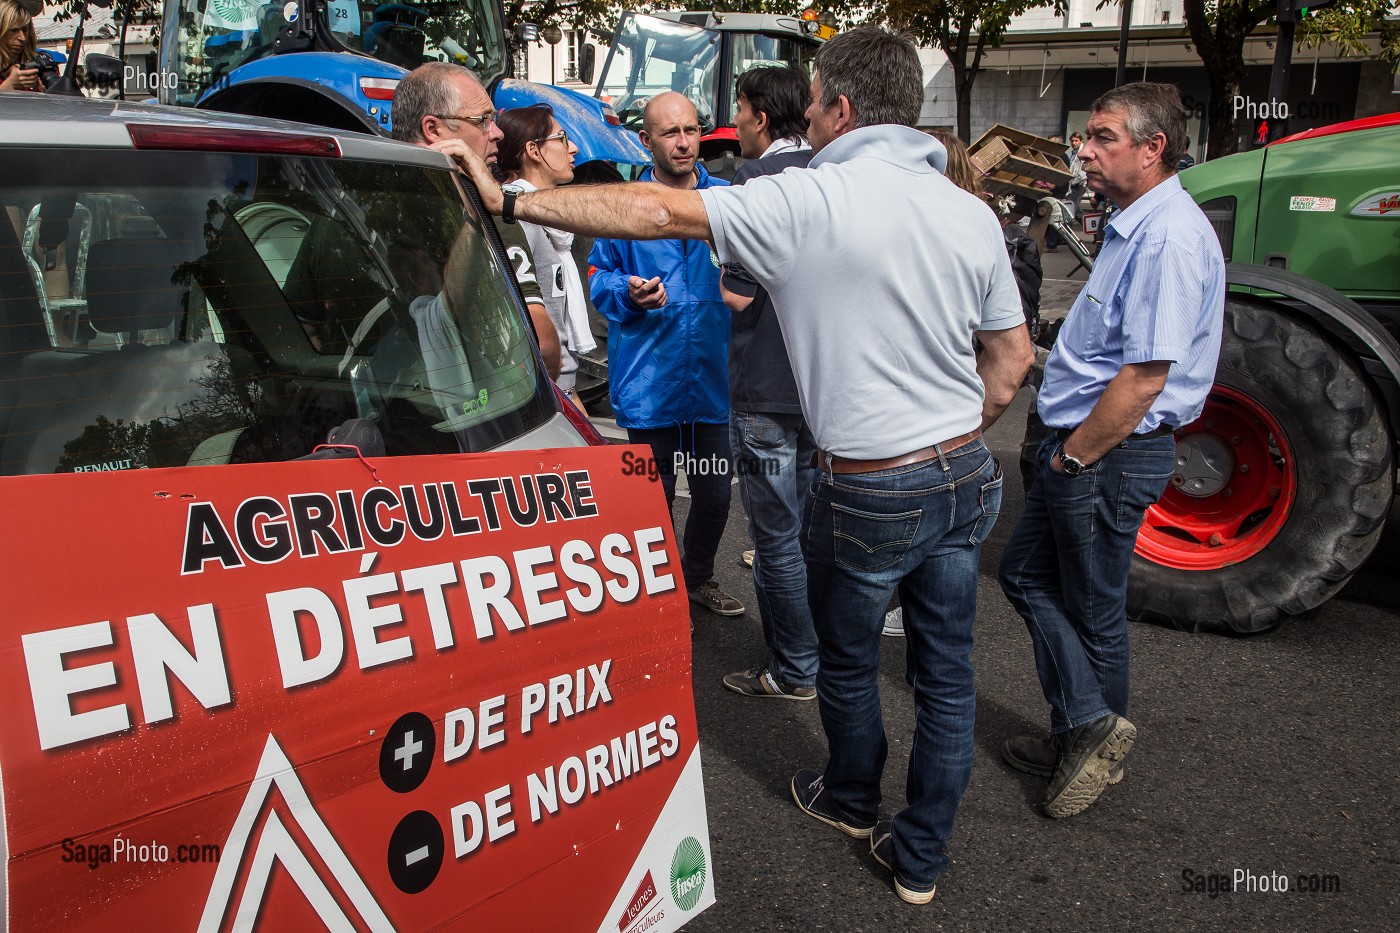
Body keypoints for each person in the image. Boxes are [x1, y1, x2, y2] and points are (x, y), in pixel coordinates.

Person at [435, 27, 1032, 903]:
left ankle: (853, 794)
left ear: (842, 108)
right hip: (965, 470)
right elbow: (1011, 358)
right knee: (946, 670)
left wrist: (508, 199)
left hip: (871, 482)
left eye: (817, 97)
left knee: (847, 654)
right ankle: (922, 855)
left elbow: (651, 213)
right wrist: (949, 432)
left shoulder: (813, 196)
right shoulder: (966, 208)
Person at [998, 82, 1225, 820]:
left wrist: (1072, 459)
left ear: (1152, 148)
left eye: (1101, 138)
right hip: (1088, 448)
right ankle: (1082, 725)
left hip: (1103, 454)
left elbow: (1144, 378)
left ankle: (1091, 735)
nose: (1083, 151)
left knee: (1089, 607)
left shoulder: (1165, 237)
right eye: (1086, 137)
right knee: (1031, 576)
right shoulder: (1138, 223)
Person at [587, 91, 744, 618]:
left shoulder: (725, 198)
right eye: (670, 133)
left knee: (716, 495)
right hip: (648, 383)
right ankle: (659, 597)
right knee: (650, 501)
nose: (683, 143)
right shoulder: (626, 201)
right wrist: (625, 294)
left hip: (712, 383)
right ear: (645, 140)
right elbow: (598, 277)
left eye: (691, 131)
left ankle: (696, 577)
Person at [716, 65, 818, 700]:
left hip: (765, 389)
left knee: (776, 540)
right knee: (811, 532)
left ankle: (793, 669)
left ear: (756, 113)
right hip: (822, 387)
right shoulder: (832, 174)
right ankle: (819, 656)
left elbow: (734, 294)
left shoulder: (752, 184)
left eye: (739, 109)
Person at [389, 62, 560, 380]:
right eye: (483, 120)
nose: (497, 133)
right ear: (433, 129)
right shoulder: (484, 207)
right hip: (484, 417)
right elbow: (544, 347)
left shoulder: (347, 199)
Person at [496, 104, 596, 413]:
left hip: (561, 384)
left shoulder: (547, 222)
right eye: (563, 138)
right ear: (533, 150)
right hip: (548, 388)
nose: (574, 148)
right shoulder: (519, 218)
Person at [0, 1, 41, 93]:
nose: (22, 38)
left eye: (25, 30)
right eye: (14, 30)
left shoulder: (37, 64)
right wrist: (10, 84)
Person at [1067, 131, 1087, 219]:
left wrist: (1073, 182)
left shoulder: (1083, 153)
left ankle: (1067, 227)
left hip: (1079, 185)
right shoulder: (1074, 153)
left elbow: (1082, 173)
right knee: (1076, 210)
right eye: (1072, 141)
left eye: (1076, 141)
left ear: (1081, 141)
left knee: (1071, 209)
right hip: (1074, 185)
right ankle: (1089, 225)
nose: (1073, 143)